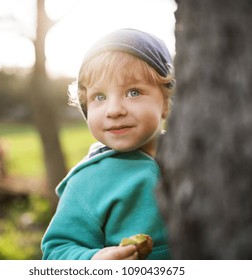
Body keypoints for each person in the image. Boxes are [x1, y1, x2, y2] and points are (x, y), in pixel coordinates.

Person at [41, 28, 175, 260]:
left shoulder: (195, 156)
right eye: (99, 97)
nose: (114, 110)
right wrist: (95, 261)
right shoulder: (87, 181)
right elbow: (57, 251)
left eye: (133, 92)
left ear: (165, 102)